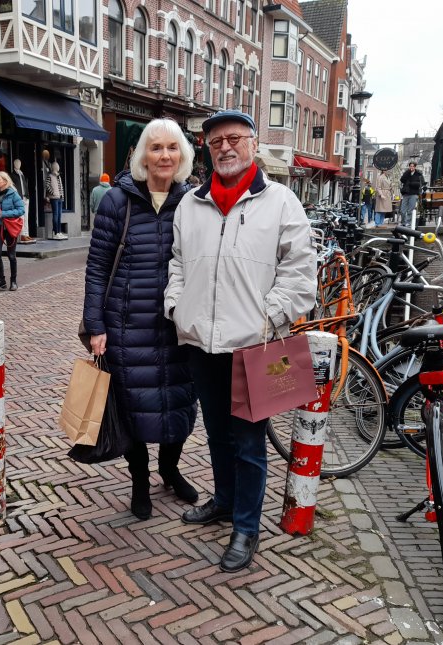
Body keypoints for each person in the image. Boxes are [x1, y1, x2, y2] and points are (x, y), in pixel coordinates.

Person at [164, 109, 317, 572]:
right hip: (202, 344)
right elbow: (176, 262)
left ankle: (247, 528)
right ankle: (226, 502)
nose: (225, 148)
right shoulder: (191, 204)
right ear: (207, 150)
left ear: (252, 143)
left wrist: (267, 317)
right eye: (215, 143)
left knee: (249, 443)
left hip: (257, 345)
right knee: (215, 434)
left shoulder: (281, 201)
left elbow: (300, 272)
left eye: (234, 139)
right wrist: (177, 306)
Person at [83, 118, 198, 521]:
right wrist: (95, 326)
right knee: (133, 406)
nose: (164, 155)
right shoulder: (118, 201)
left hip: (180, 326)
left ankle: (170, 468)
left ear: (181, 154)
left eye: (171, 147)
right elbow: (97, 267)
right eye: (155, 147)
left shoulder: (193, 201)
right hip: (127, 324)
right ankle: (139, 479)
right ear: (142, 155)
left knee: (179, 403)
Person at [0, 171, 25, 292]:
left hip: (10, 228)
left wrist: (5, 214)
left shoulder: (13, 194)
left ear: (5, 181)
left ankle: (13, 281)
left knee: (11, 255)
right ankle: (1, 281)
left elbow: (21, 210)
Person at [10, 159, 35, 244]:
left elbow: (24, 185)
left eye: (19, 163)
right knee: (21, 217)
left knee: (26, 216)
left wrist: (27, 195)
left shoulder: (22, 174)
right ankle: (21, 235)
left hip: (25, 197)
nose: (18, 165)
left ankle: (26, 233)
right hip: (19, 198)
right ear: (14, 164)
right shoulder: (12, 175)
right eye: (17, 163)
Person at [46, 161, 66, 239]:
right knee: (55, 215)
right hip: (54, 198)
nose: (58, 167)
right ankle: (55, 232)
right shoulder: (50, 176)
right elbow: (47, 185)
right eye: (56, 166)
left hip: (59, 198)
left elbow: (61, 188)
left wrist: (62, 197)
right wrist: (53, 192)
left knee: (59, 215)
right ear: (54, 167)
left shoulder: (59, 176)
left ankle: (59, 231)